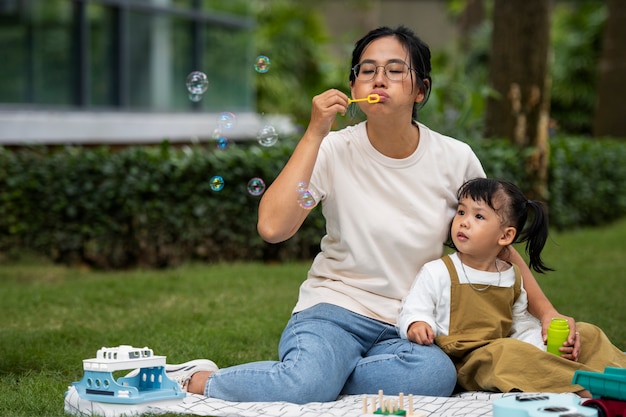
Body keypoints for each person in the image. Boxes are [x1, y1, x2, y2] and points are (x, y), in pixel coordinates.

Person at [158, 26, 580, 404]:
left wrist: (547, 313)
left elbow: (494, 244)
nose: (379, 78)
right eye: (367, 69)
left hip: (412, 322)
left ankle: (321, 376)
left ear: (420, 90)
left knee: (436, 373)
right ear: (354, 85)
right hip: (333, 310)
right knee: (307, 386)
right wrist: (314, 132)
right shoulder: (333, 149)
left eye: (396, 70)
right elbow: (271, 228)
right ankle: (199, 380)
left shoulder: (455, 159)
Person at [398, 178, 626, 396]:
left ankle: (617, 373)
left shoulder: (510, 275)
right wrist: (417, 323)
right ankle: (586, 385)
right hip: (467, 360)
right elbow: (414, 306)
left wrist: (540, 343)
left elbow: (521, 323)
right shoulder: (438, 271)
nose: (464, 221)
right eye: (461, 212)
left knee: (587, 333)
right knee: (508, 354)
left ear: (505, 235)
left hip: (507, 347)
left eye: (478, 216)